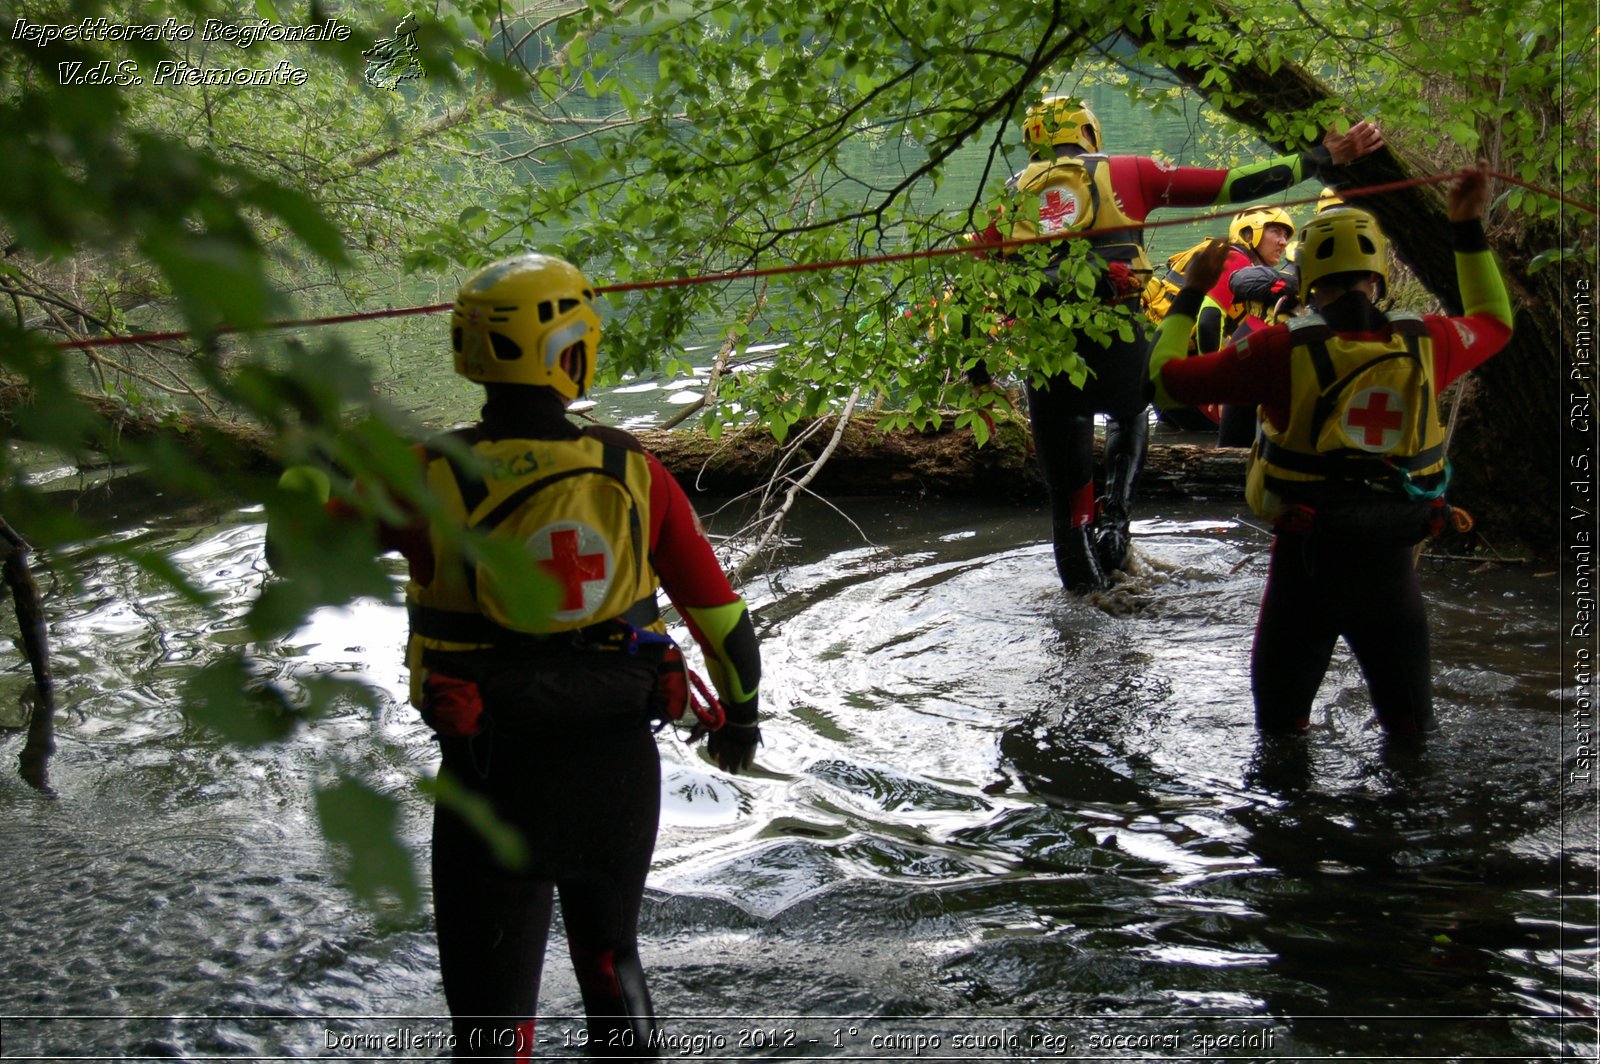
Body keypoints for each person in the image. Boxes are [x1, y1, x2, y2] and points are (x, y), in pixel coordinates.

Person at [274, 252, 762, 1057]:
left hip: (490, 777)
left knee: (492, 1020)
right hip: (615, 774)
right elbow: (725, 622)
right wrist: (740, 720)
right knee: (613, 961)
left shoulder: (423, 475)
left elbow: (289, 551)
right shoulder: (634, 471)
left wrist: (303, 464)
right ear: (575, 351)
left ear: (466, 350)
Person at [1147, 167, 1511, 741]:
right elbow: (1496, 320)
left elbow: (1163, 382)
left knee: (1281, 742)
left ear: (1305, 276)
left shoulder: (1276, 348)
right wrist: (1465, 226)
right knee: (1411, 740)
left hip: (1305, 572)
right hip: (1393, 575)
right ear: (1380, 277)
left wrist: (1192, 291)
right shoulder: (1429, 340)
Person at [972, 95, 1384, 594]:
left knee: (1067, 511)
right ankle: (1116, 522)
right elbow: (1236, 182)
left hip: (1049, 364)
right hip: (1117, 347)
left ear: (1031, 139)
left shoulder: (1004, 200)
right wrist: (1324, 158)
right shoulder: (1130, 173)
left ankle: (1087, 598)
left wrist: (980, 383)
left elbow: (972, 295)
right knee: (1130, 413)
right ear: (1089, 133)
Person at [1212, 205, 1299, 446]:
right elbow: (1208, 317)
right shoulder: (1235, 262)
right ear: (1249, 234)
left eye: (1286, 236)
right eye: (1275, 233)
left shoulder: (1257, 279)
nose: (1282, 242)